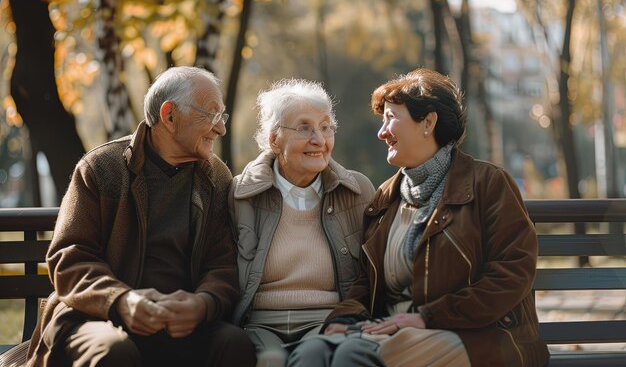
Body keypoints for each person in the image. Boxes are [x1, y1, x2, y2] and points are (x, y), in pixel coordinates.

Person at [287, 68, 550, 367]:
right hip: (393, 328)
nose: (382, 131)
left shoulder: (488, 183)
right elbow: (366, 283)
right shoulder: (386, 197)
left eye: (391, 117)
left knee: (352, 356)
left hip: (476, 336)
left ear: (428, 122)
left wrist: (426, 317)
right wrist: (345, 317)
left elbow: (512, 274)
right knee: (312, 353)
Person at [25, 66, 256, 367]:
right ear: (169, 115)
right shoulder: (101, 168)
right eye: (211, 116)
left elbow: (221, 263)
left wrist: (202, 304)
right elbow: (70, 258)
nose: (220, 128)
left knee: (234, 344)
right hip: (95, 317)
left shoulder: (215, 177)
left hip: (181, 324)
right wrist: (121, 301)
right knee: (114, 351)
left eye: (221, 117)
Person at [230, 79, 376, 366]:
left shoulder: (358, 190)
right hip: (259, 324)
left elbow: (372, 273)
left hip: (328, 321)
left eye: (325, 127)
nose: (319, 140)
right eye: (304, 128)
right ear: (274, 140)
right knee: (269, 361)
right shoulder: (238, 195)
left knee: (312, 359)